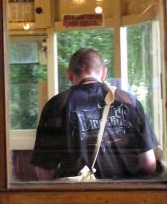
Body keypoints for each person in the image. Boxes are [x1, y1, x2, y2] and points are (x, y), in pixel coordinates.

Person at [31, 48, 159, 180]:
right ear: (104, 74)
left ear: (69, 75)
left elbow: (43, 169)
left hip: (73, 196)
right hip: (124, 194)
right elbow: (149, 165)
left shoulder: (56, 105)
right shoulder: (129, 102)